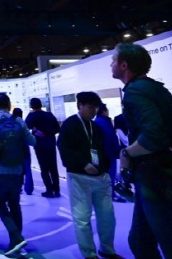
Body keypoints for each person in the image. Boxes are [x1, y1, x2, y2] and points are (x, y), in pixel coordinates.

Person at [112, 43, 172, 259]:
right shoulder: (155, 88)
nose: (111, 65)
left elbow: (154, 136)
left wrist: (126, 153)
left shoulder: (135, 91)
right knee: (139, 241)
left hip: (158, 179)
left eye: (113, 60)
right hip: (159, 176)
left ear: (124, 65)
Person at [58, 92, 124, 259]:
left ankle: (107, 249)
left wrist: (104, 168)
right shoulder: (70, 124)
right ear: (80, 106)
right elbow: (65, 149)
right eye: (90, 107)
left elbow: (102, 149)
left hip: (100, 177)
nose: (94, 110)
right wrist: (83, 164)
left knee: (107, 217)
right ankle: (89, 254)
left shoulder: (95, 127)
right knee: (82, 219)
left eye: (95, 107)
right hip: (79, 178)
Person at [0, 93, 35, 256]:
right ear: (9, 104)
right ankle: (15, 242)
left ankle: (16, 236)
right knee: (15, 204)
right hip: (17, 170)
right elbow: (32, 141)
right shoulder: (18, 120)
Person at [25, 97, 61, 197]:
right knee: (53, 168)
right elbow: (57, 129)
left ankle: (49, 190)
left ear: (31, 106)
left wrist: (37, 131)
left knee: (44, 168)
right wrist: (49, 133)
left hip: (40, 145)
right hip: (51, 144)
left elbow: (26, 125)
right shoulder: (49, 115)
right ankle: (57, 190)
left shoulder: (32, 116)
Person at [95, 103, 124, 203]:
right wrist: (118, 151)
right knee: (111, 174)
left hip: (102, 153)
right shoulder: (105, 122)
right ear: (104, 111)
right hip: (109, 153)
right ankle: (111, 195)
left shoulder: (96, 121)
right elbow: (111, 138)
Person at [13, 107, 34, 195]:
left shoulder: (11, 124)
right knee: (28, 169)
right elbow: (29, 139)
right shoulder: (23, 123)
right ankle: (29, 189)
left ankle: (18, 187)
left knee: (16, 169)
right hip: (25, 148)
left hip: (15, 150)